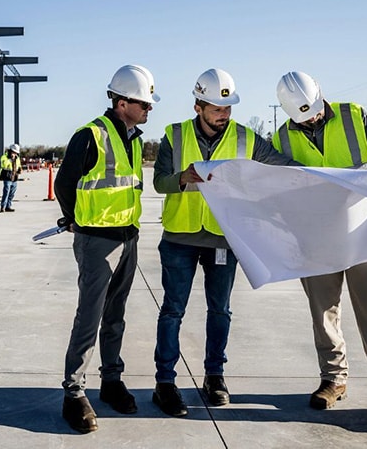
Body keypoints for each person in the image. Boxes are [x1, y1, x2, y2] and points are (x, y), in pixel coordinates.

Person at [273, 70, 367, 431]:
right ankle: (333, 379)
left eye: (313, 112)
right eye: (302, 117)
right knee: (323, 313)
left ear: (322, 95)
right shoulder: (282, 137)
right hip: (318, 239)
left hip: (365, 234)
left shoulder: (355, 116)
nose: (310, 120)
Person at [151, 69, 297, 417]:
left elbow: (284, 167)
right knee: (173, 310)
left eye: (228, 107)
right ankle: (165, 383)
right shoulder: (174, 135)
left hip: (223, 239)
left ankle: (214, 377)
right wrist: (182, 179)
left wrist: (329, 179)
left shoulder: (247, 138)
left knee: (221, 310)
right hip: (180, 238)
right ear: (198, 105)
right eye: (217, 108)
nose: (224, 115)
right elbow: (158, 183)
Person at [54, 64, 158, 434]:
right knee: (90, 316)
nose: (149, 109)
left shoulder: (133, 137)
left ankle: (111, 380)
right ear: (121, 101)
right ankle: (74, 392)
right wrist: (76, 221)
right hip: (98, 241)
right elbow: (65, 184)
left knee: (116, 315)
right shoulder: (90, 136)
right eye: (144, 103)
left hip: (127, 238)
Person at [0, 143, 22, 212]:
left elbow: (18, 164)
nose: (15, 154)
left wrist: (19, 169)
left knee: (12, 192)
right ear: (11, 151)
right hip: (7, 176)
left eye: (16, 152)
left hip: (14, 176)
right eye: (14, 152)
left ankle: (8, 206)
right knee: (6, 191)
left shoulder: (17, 158)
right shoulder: (5, 157)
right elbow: (4, 165)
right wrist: (10, 159)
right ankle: (3, 206)